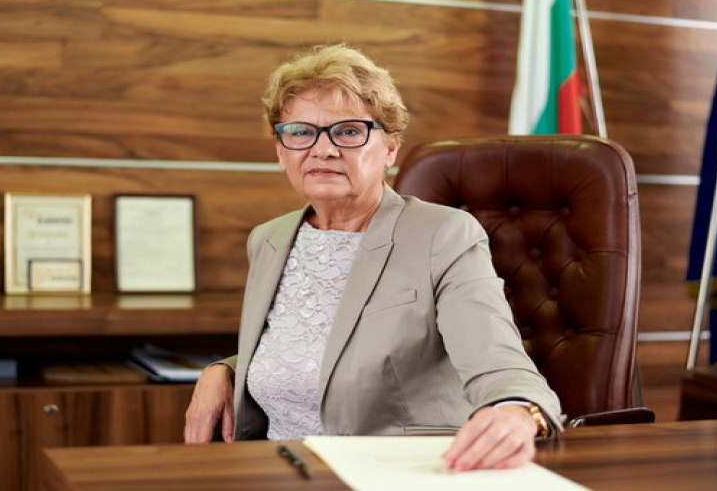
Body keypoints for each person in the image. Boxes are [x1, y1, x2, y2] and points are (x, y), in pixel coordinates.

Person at [183, 42, 564, 471]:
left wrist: (517, 410)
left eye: (348, 132)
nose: (323, 149)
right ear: (280, 150)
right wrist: (224, 370)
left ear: (390, 149)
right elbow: (307, 349)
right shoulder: (268, 239)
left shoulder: (443, 235)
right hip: (278, 468)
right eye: (301, 132)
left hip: (397, 471)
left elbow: (497, 360)